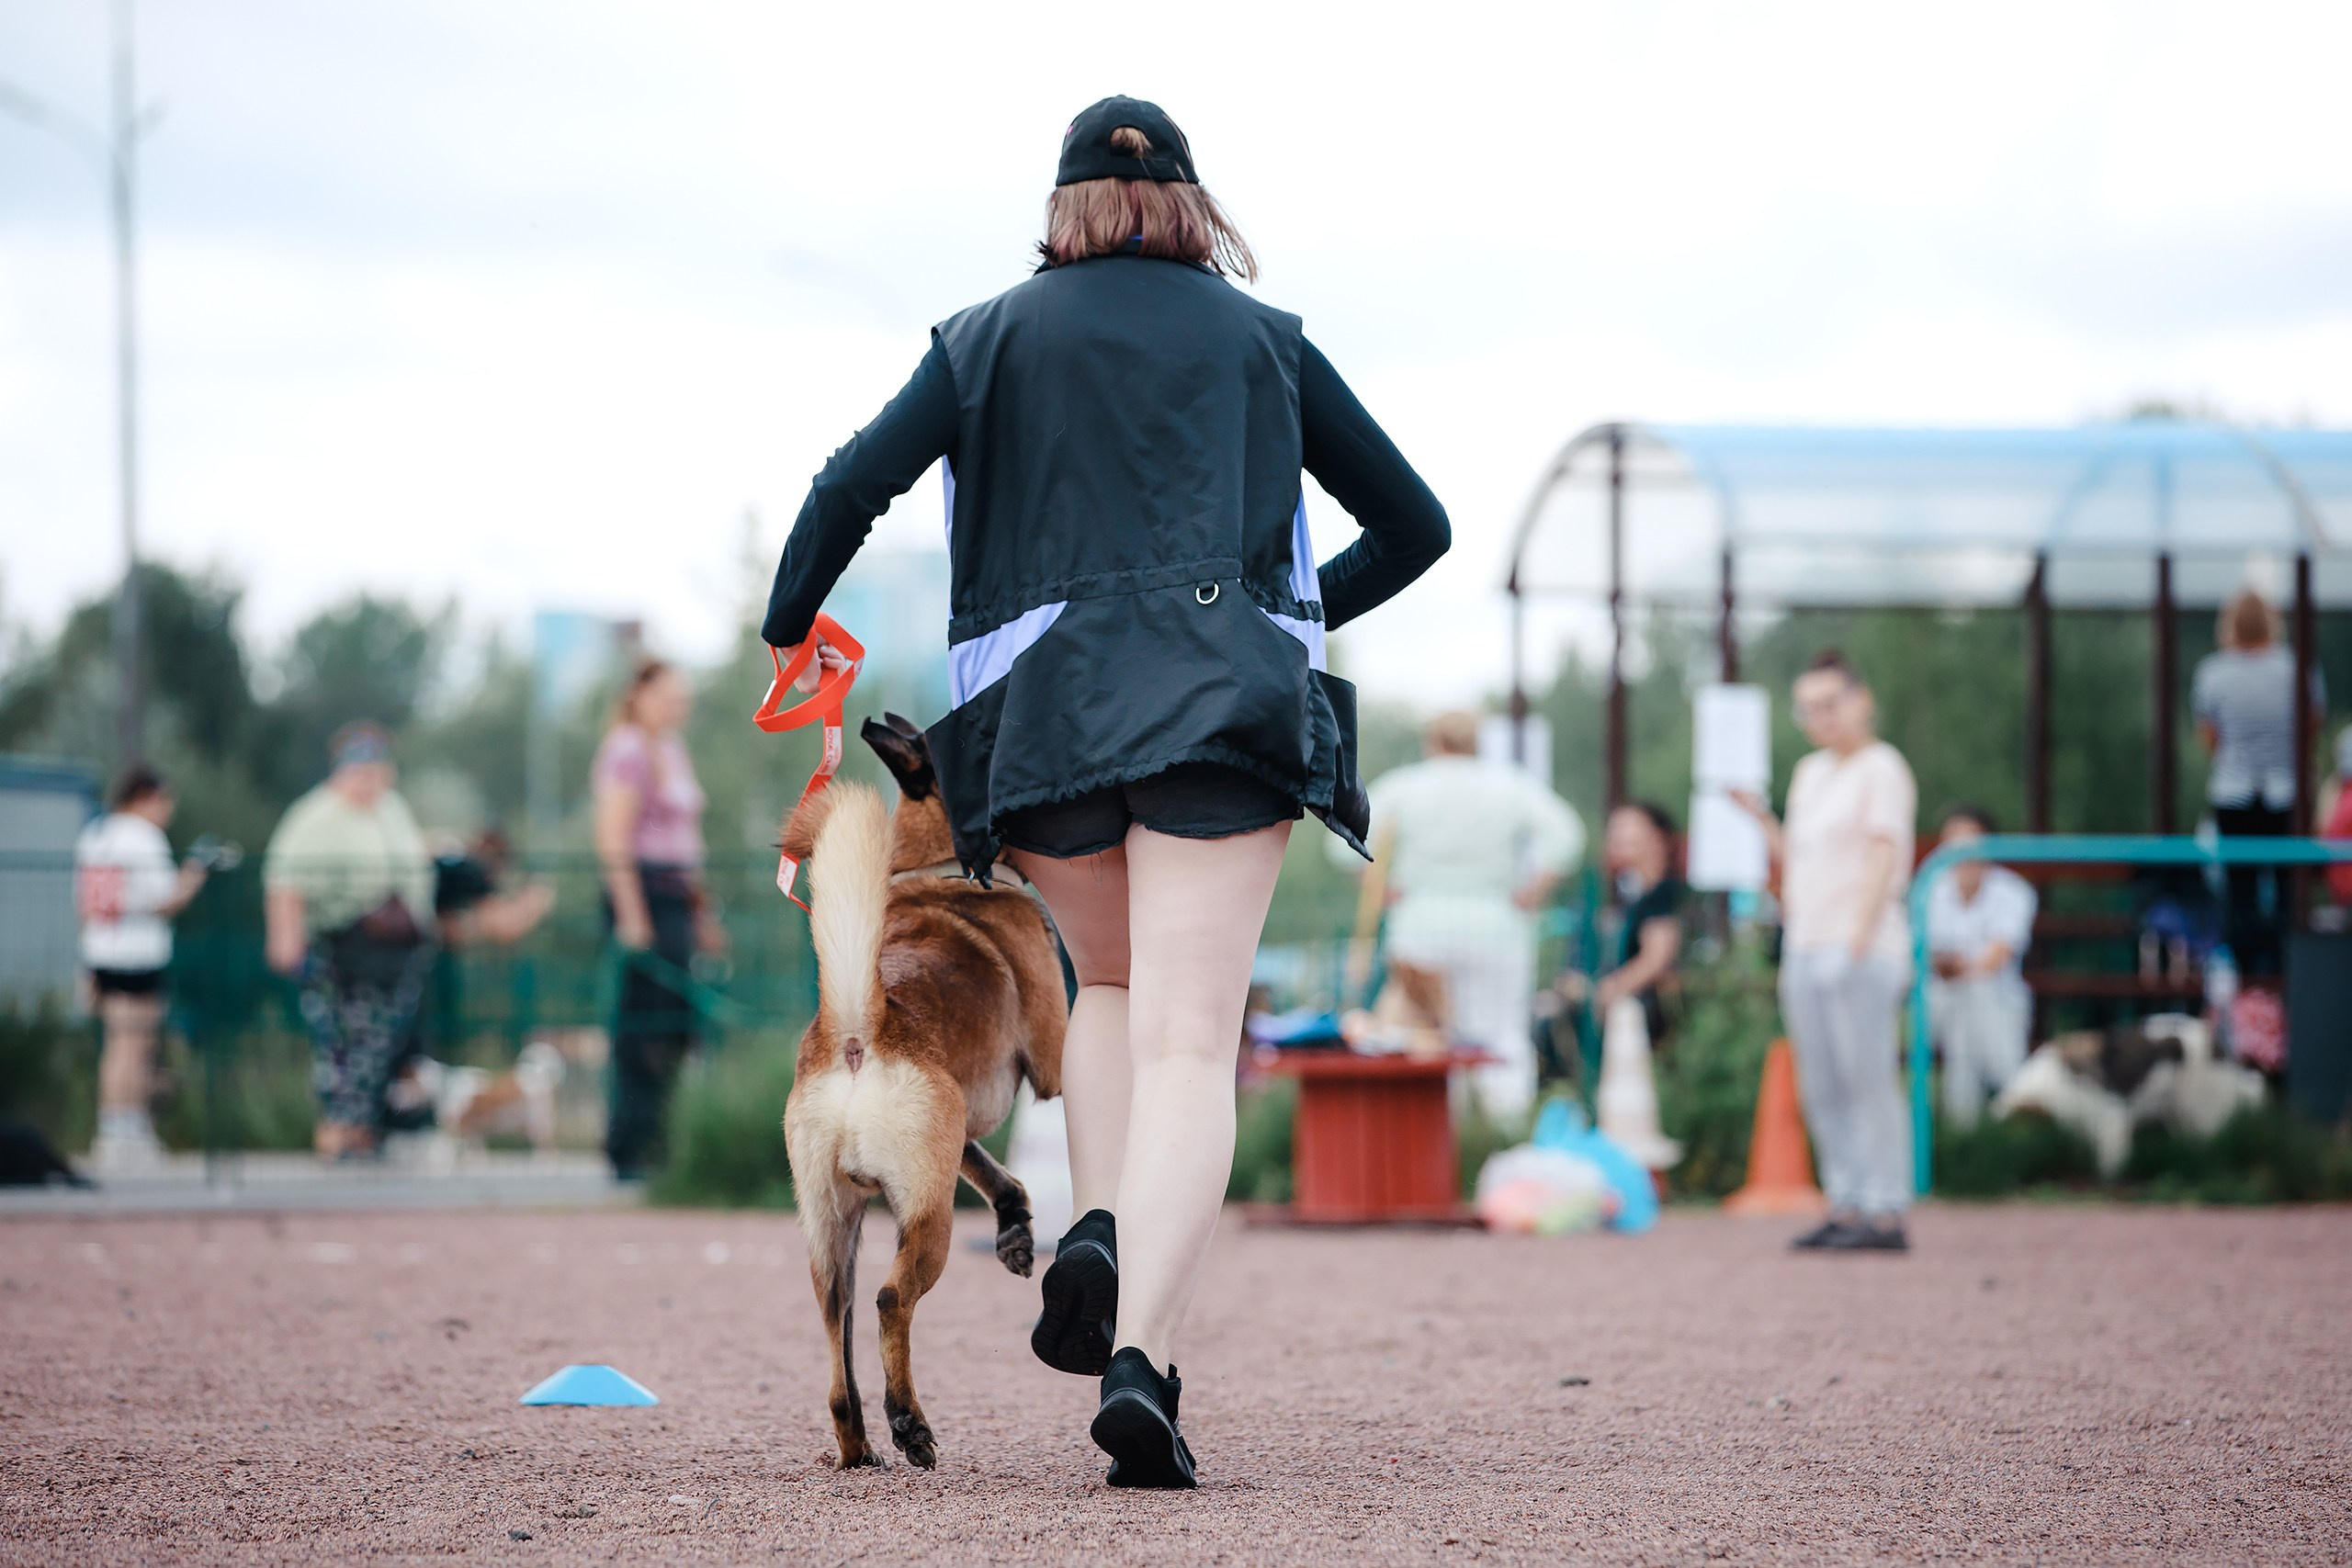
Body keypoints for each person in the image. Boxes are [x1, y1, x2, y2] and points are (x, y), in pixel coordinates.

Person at [760, 97, 1447, 1487]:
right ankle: (1135, 1349)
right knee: (1196, 1039)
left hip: (1047, 716)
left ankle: (1117, 1258)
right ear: (1194, 205)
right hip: (1223, 711)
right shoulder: (1270, 341)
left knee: (1117, 1000)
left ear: (1063, 210)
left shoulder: (985, 335)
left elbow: (852, 486)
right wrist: (1291, 620)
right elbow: (1416, 524)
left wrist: (790, 624)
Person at [1734, 649, 1917, 1253]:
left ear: (1860, 701)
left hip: (1858, 941)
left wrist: (1861, 931)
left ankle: (1885, 1204)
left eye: (1830, 703)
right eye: (1809, 707)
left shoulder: (1882, 767)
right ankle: (1846, 1198)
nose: (1820, 717)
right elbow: (1800, 854)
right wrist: (1757, 818)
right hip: (1808, 939)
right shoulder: (1812, 772)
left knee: (1866, 1074)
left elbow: (1885, 849)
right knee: (1824, 1079)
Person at [1336, 711, 1585, 1121]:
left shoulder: (1405, 786)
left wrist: (1383, 888)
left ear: (1431, 742)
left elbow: (1343, 837)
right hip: (1497, 927)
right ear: (1478, 743)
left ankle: (1434, 1136)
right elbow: (1567, 836)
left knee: (1422, 1038)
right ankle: (1503, 1135)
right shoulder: (1510, 786)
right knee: (1502, 1037)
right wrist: (1534, 889)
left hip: (1419, 927)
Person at [263, 724, 435, 1160]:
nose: (371, 779)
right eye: (362, 769)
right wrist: (286, 939)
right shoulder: (317, 815)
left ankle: (362, 1128)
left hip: (395, 951)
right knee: (343, 1042)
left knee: (380, 1042)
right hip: (343, 948)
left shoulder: (390, 808)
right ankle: (337, 1128)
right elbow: (285, 882)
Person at [592, 657, 721, 1180]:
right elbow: (612, 838)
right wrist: (631, 915)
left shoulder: (673, 748)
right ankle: (629, 1147)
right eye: (670, 697)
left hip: (676, 895)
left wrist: (703, 914)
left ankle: (662, 1143)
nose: (678, 708)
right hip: (642, 895)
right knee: (641, 1027)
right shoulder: (625, 749)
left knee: (677, 1026)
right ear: (640, 694)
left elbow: (687, 840)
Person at [73, 765, 208, 1171]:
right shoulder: (142, 837)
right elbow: (165, 899)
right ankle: (123, 1132)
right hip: (136, 954)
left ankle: (120, 1129)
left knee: (120, 1044)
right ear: (147, 798)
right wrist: (195, 875)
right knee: (132, 1045)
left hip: (101, 948)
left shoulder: (96, 833)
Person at [2192, 589, 2324, 976]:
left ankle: (2247, 972)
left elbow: (2210, 737)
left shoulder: (2213, 673)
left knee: (2240, 889)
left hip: (2233, 791)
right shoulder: (2297, 668)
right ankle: (2286, 970)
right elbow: (2310, 728)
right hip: (2285, 792)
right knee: (2288, 887)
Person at [1923, 806, 2037, 1126]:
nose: (1960, 852)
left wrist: (1958, 969)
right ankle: (2012, 1106)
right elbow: (1925, 954)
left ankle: (1968, 1123)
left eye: (1968, 841)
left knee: (1974, 1000)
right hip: (1946, 1001)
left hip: (1993, 1001)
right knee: (1966, 1002)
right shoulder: (1931, 888)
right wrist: (1954, 968)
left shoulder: (2013, 891)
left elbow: (1998, 956)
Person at [1595, 800, 1686, 1048]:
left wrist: (1609, 991)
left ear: (1658, 838)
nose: (1617, 835)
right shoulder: (1629, 896)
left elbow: (1655, 958)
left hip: (1652, 1015)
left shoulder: (1664, 895)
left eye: (1628, 828)